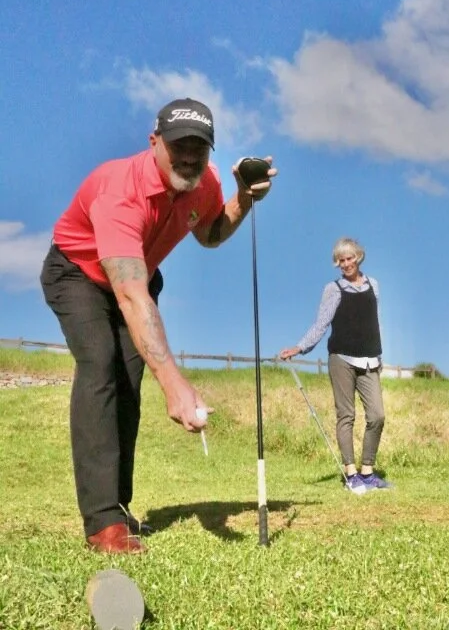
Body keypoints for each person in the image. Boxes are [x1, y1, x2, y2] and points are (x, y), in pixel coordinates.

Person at [40, 98, 277, 553]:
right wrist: (175, 384)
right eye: (178, 146)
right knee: (100, 364)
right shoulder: (118, 190)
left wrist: (244, 199)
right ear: (154, 143)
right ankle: (103, 524)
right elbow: (130, 295)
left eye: (199, 148)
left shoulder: (202, 183)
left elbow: (209, 232)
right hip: (78, 274)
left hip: (137, 279)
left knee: (128, 384)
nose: (188, 156)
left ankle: (118, 510)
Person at [279, 237, 392, 494]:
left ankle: (368, 471)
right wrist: (300, 347)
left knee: (377, 415)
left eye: (349, 258)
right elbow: (321, 324)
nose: (345, 264)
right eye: (340, 261)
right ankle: (351, 474)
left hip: (369, 359)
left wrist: (380, 355)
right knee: (347, 416)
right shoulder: (333, 289)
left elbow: (376, 322)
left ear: (358, 257)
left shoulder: (374, 285)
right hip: (341, 358)